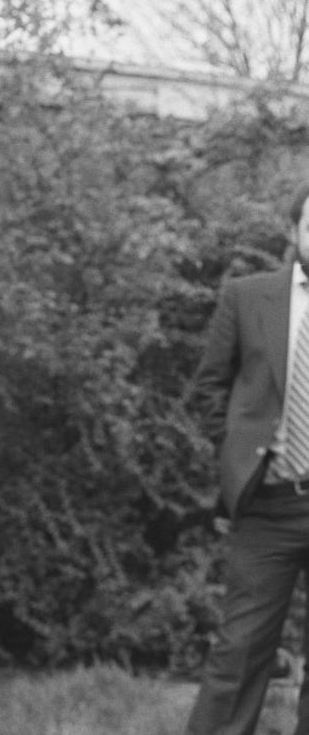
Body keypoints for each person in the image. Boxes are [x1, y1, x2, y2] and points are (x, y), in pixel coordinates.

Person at [186, 185, 309, 734]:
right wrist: (236, 452)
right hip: (269, 505)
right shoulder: (246, 295)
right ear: (294, 231)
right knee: (240, 648)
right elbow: (209, 387)